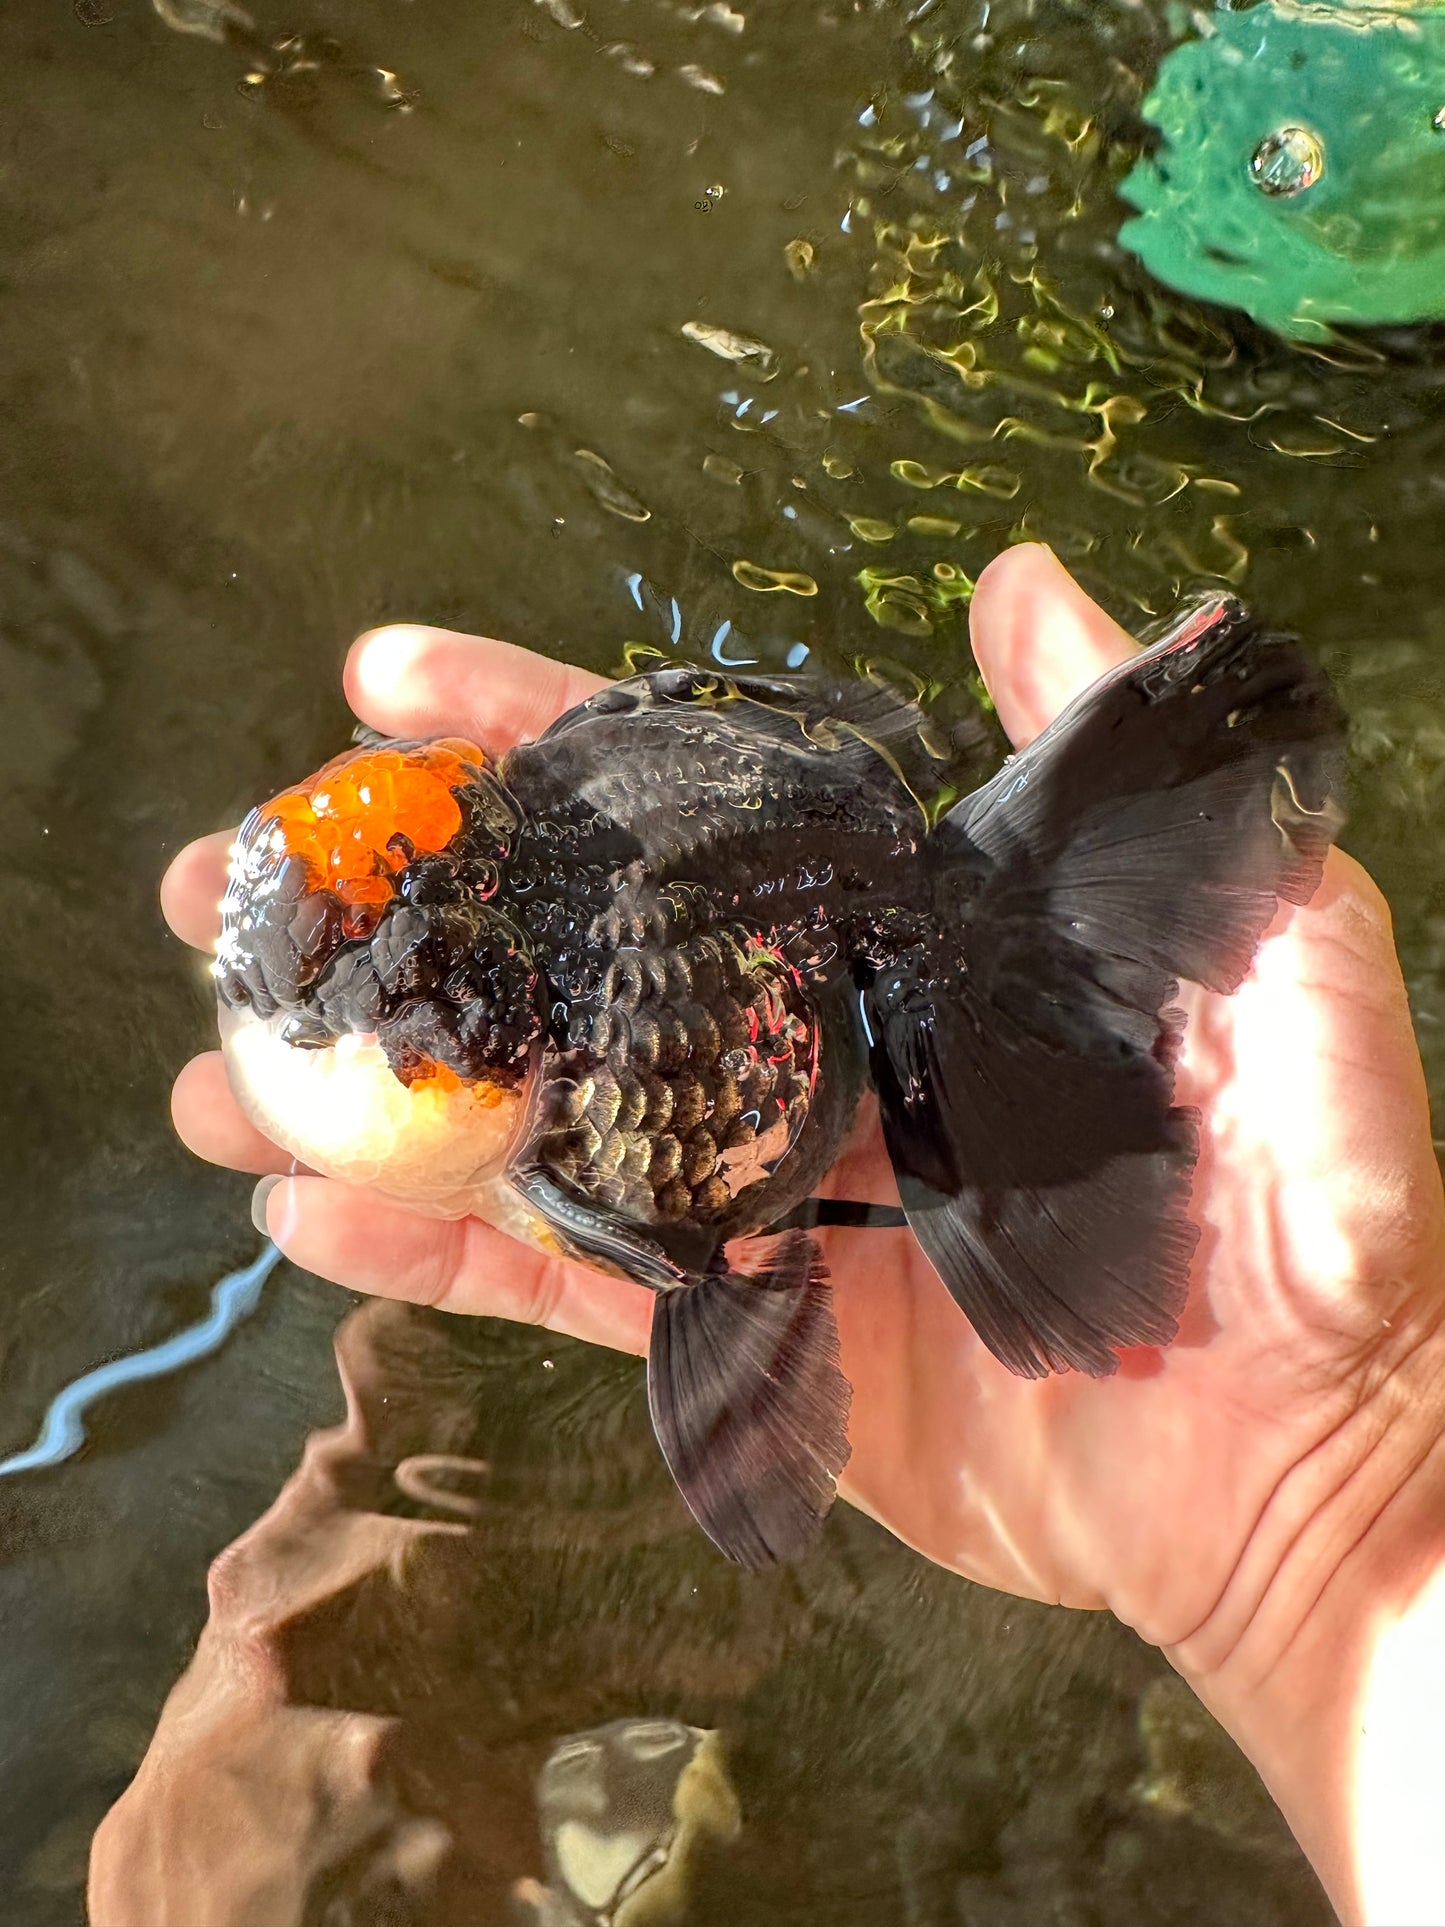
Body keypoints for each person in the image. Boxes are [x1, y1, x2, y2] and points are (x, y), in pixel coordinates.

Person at [162, 543, 1445, 1927]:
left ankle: (1013, 996)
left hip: (826, 988)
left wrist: (1345, 1491)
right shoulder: (487, 911)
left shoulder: (567, 1089)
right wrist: (1337, 1508)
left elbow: (699, 1251)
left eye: (336, 991)